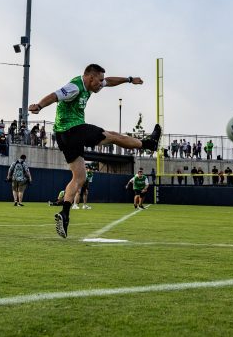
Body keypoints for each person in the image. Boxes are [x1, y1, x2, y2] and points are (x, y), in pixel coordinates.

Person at [29, 64, 160, 238]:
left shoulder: (92, 84)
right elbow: (55, 95)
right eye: (98, 81)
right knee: (112, 135)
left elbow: (110, 81)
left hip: (63, 137)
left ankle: (65, 213)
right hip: (73, 130)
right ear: (90, 78)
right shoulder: (75, 86)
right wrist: (39, 105)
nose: (101, 84)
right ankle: (149, 144)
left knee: (79, 177)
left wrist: (129, 80)